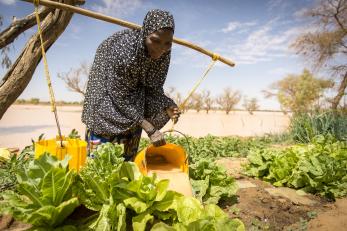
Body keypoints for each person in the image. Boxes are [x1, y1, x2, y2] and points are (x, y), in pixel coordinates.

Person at [82, 9, 180, 161]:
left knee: (128, 167)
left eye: (167, 43)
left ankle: (128, 166)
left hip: (134, 99)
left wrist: (167, 105)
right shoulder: (124, 51)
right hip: (108, 98)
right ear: (145, 34)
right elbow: (119, 96)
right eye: (155, 40)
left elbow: (152, 87)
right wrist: (149, 128)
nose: (161, 48)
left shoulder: (164, 52)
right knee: (99, 166)